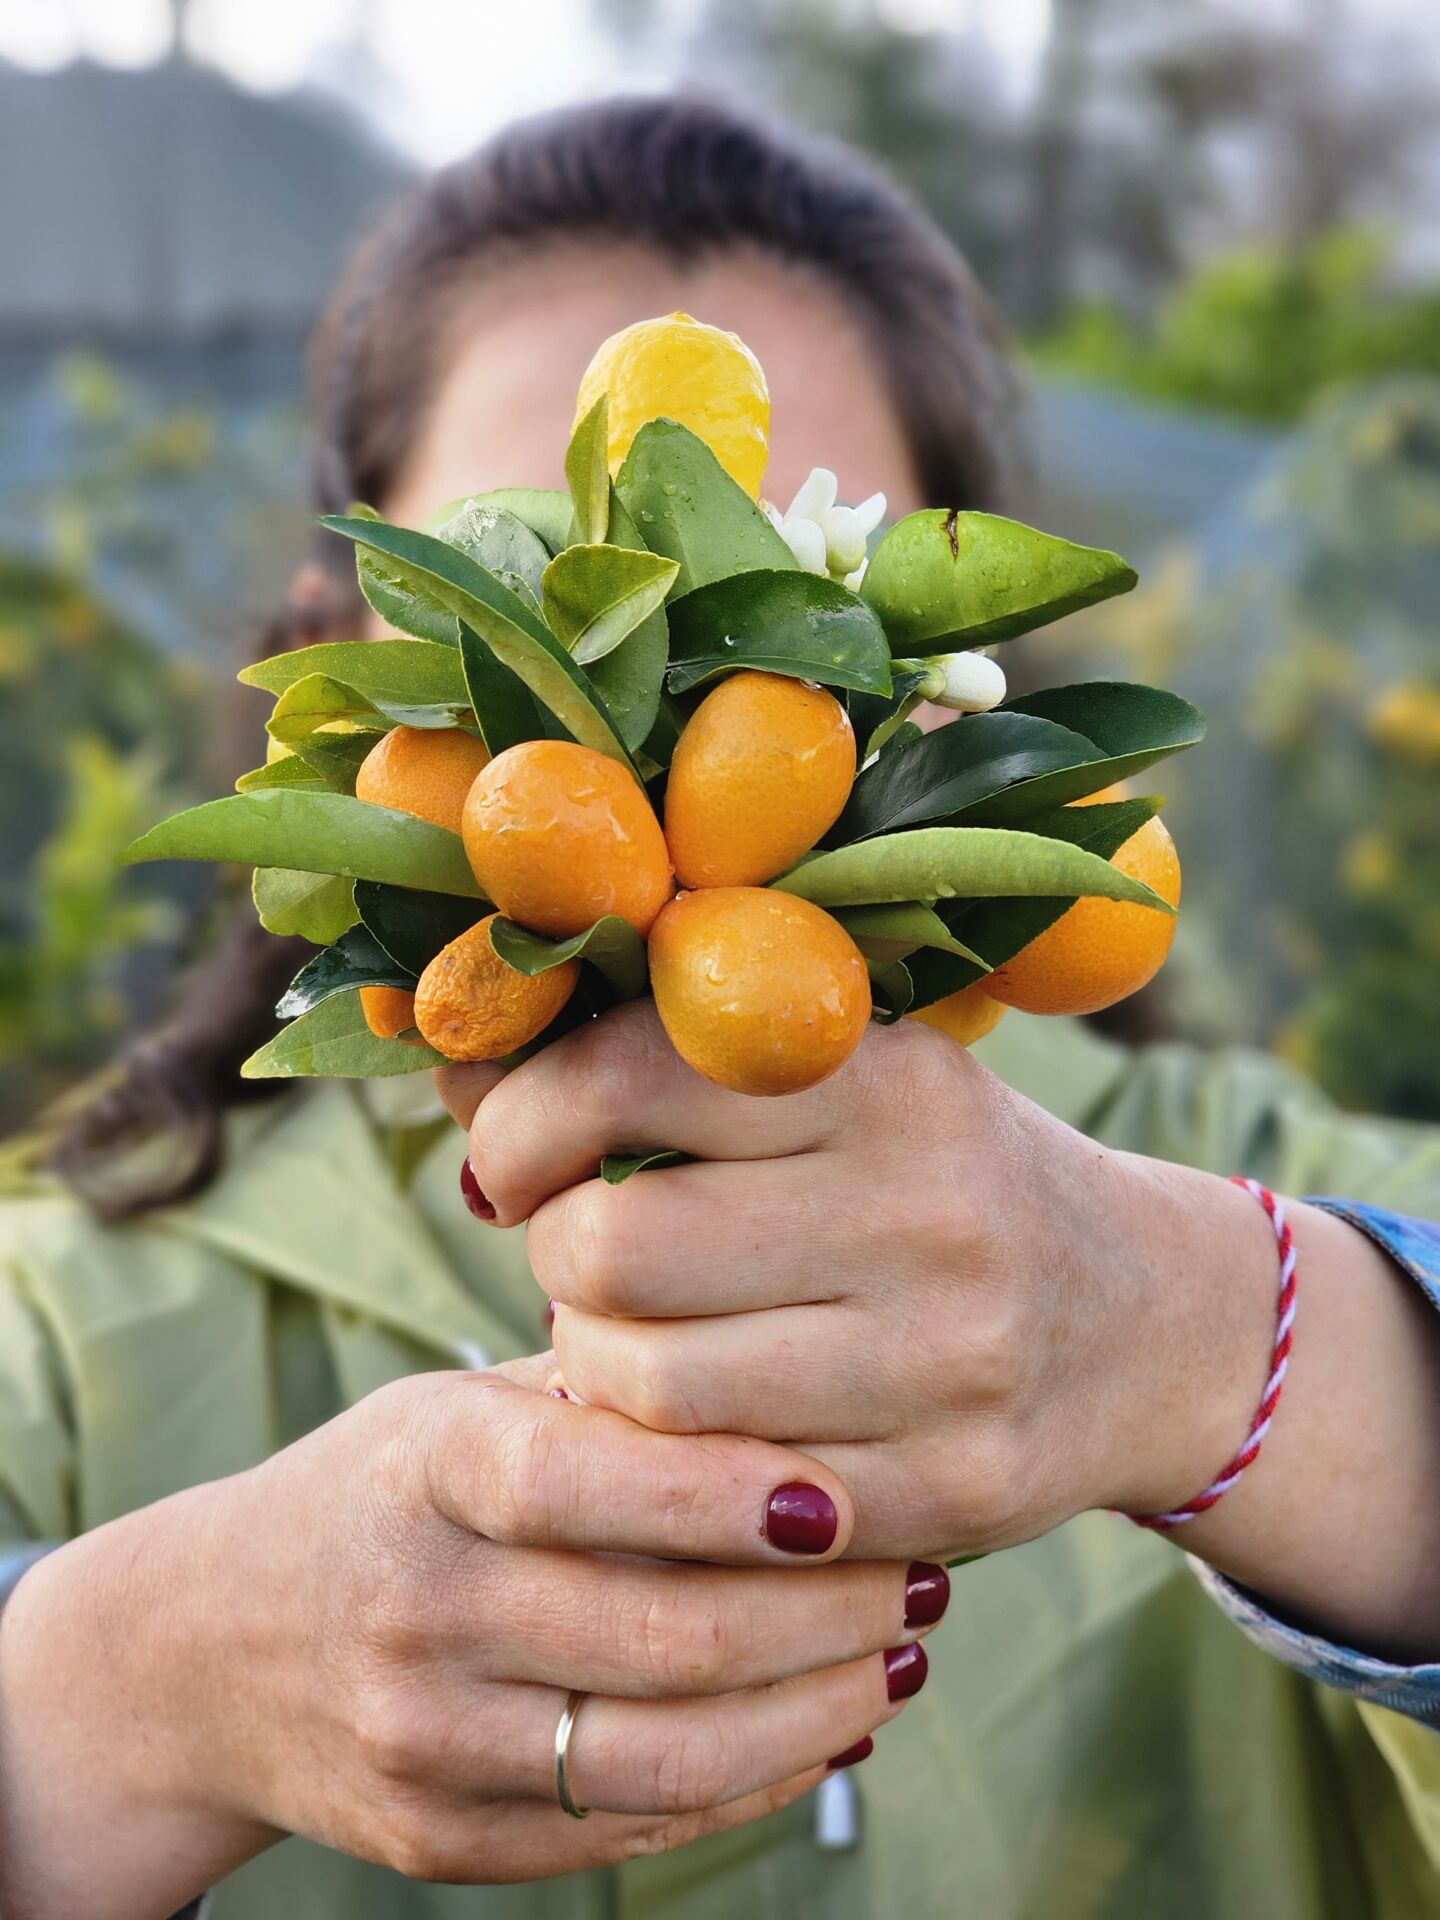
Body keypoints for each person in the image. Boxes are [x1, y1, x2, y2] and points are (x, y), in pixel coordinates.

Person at [2, 94, 1438, 1920]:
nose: (668, 711)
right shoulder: (65, 1323)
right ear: (355, 672)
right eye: (560, 607)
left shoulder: (1220, 1176)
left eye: (791, 621)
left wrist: (1216, 1347)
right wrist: (122, 1695)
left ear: (958, 699)